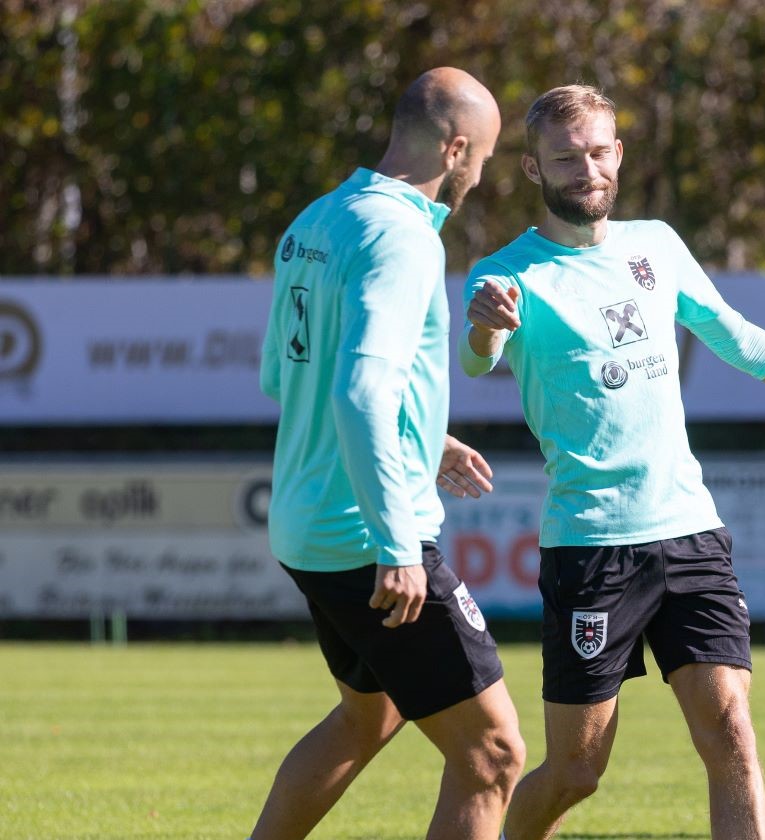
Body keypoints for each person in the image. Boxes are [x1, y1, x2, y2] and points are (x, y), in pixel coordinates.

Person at [457, 83, 765, 840]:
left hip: (691, 532)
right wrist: (484, 327)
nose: (586, 170)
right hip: (592, 546)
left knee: (732, 732)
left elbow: (740, 340)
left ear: (618, 154)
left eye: (598, 152)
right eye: (566, 158)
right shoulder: (507, 273)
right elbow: (478, 360)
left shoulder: (657, 243)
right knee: (577, 770)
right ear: (534, 169)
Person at [253, 67, 525, 840]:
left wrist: (425, 438)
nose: (480, 177)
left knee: (368, 716)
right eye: (484, 159)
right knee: (494, 754)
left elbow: (283, 375)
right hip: (365, 536)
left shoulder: (318, 219)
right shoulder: (404, 238)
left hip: (306, 524)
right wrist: (397, 544)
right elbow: (359, 392)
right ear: (456, 148)